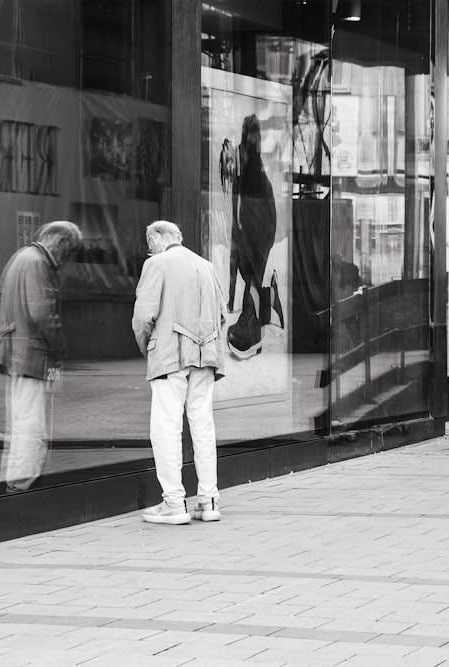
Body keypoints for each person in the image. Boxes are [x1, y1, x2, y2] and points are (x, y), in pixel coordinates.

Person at [132, 220, 227, 525]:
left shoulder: (157, 263)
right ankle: (209, 500)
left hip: (170, 355)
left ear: (157, 239)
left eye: (150, 244)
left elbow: (143, 318)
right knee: (202, 424)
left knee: (166, 425)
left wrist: (149, 347)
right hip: (206, 353)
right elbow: (223, 314)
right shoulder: (206, 265)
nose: (150, 250)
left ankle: (173, 502)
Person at [0, 221, 83, 492]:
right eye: (70, 252)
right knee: (29, 424)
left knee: (20, 421)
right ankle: (22, 483)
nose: (67, 260)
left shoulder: (22, 257)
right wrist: (59, 349)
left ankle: (16, 480)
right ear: (61, 243)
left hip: (18, 355)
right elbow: (42, 313)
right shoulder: (37, 263)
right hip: (30, 356)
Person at [226, 114, 283, 359]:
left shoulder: (253, 163)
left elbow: (247, 196)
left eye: (255, 133)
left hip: (258, 225)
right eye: (250, 132)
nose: (253, 137)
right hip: (250, 224)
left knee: (253, 276)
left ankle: (253, 329)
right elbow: (238, 195)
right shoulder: (245, 159)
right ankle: (253, 328)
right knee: (249, 274)